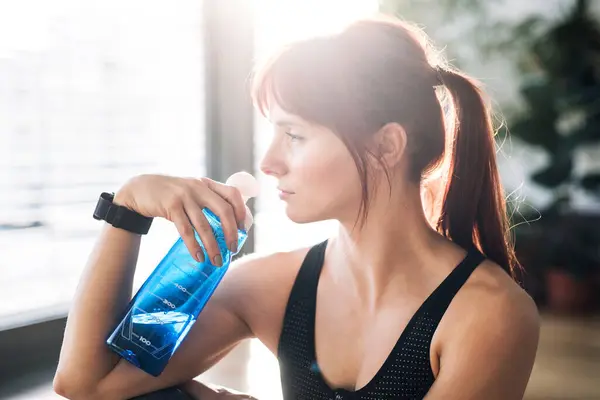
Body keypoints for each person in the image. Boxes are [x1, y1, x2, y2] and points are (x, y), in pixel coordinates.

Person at [53, 14, 540, 400]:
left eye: (294, 134)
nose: (269, 162)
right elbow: (90, 384)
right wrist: (127, 207)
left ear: (387, 146)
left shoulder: (487, 314)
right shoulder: (272, 287)